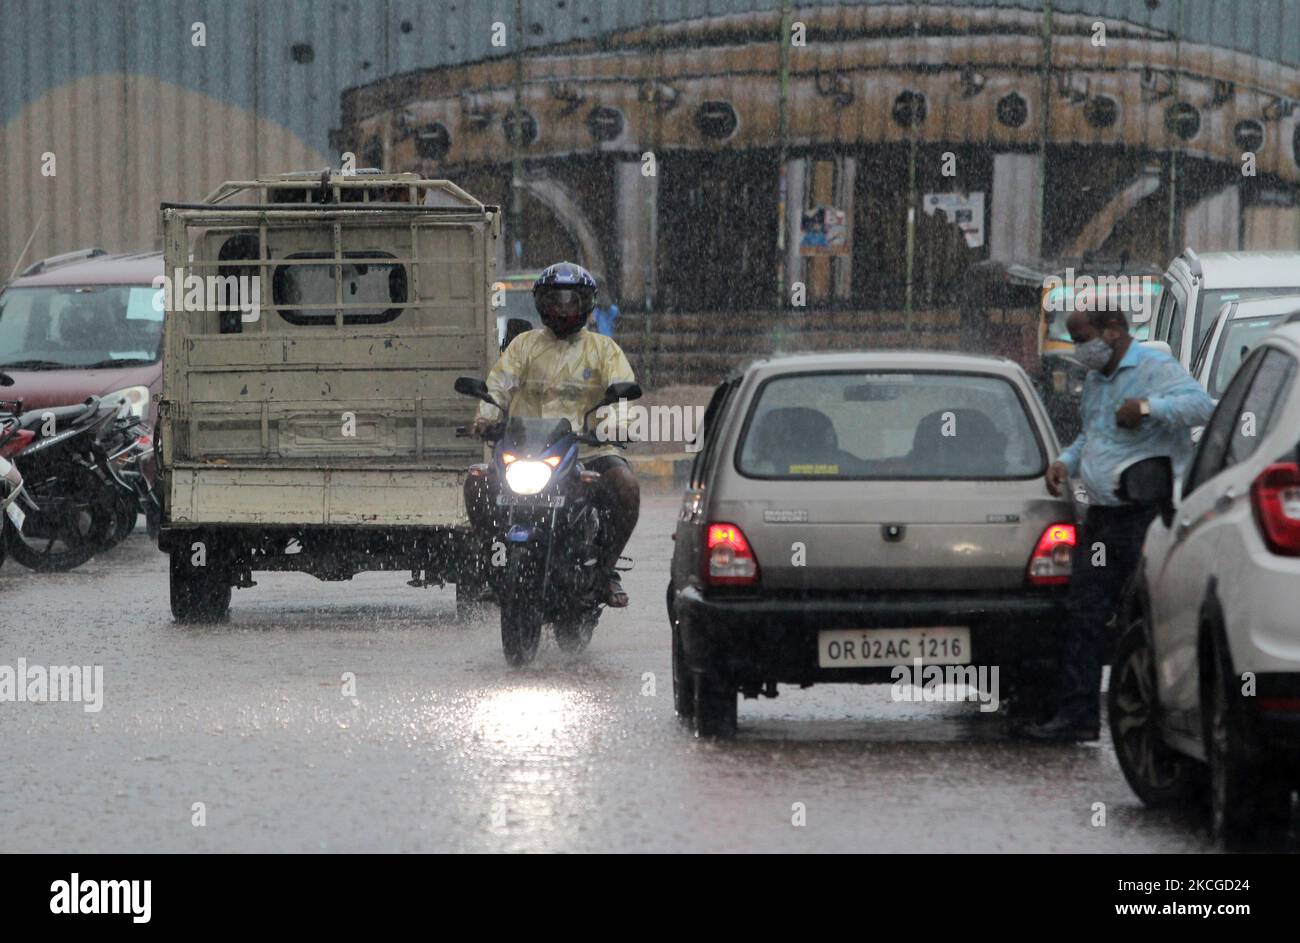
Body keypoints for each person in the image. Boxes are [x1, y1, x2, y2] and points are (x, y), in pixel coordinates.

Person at [1021, 306, 1215, 741]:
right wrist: (1065, 463)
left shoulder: (1153, 366)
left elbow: (1201, 406)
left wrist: (1148, 407)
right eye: (1073, 339)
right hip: (1104, 518)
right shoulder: (1095, 381)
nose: (1078, 348)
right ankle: (1078, 714)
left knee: (1146, 614)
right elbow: (1094, 434)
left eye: (1081, 336)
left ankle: (1155, 716)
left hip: (1146, 516)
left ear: (1112, 332)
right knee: (1085, 612)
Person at [465, 261, 639, 607]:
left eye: (570, 300)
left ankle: (605, 571)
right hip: (526, 448)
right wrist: (485, 417)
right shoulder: (523, 346)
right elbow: (498, 385)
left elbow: (623, 395)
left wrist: (617, 423)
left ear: (585, 304)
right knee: (476, 482)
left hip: (587, 448)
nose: (562, 309)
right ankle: (492, 561)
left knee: (626, 486)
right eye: (554, 300)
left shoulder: (603, 350)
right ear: (541, 304)